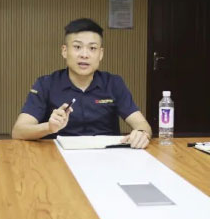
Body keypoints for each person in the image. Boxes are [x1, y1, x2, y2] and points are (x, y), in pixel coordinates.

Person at [12, 18, 152, 148]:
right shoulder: (46, 84)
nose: (84, 55)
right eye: (77, 47)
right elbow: (18, 131)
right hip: (59, 158)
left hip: (106, 157)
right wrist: (49, 127)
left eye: (92, 48)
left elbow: (142, 124)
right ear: (64, 51)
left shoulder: (113, 83)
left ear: (101, 54)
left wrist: (141, 133)